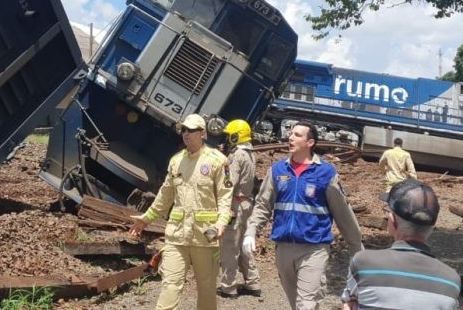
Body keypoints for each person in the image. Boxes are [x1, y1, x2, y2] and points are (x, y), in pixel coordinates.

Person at [243, 121, 363, 310]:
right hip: (283, 248)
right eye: (291, 134)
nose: (290, 137)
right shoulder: (277, 170)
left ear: (310, 143)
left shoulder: (325, 173)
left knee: (305, 305)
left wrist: (356, 245)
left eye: (297, 135)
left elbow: (342, 212)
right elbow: (263, 205)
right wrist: (251, 231)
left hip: (314, 249)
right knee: (296, 304)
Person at [130, 113, 232, 310]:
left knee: (206, 290)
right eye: (183, 129)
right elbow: (165, 195)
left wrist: (221, 223)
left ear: (203, 133)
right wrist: (146, 218)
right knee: (170, 285)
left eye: (191, 130)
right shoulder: (176, 161)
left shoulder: (218, 161)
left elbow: (225, 197)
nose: (185, 134)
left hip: (205, 238)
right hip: (177, 236)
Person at [341, 179, 460, 309]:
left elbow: (350, 303)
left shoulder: (363, 262)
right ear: (432, 227)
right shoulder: (451, 280)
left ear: (392, 221)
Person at [216, 119, 261, 298]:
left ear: (236, 136)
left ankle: (228, 287)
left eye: (229, 135)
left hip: (235, 204)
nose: (227, 138)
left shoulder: (236, 156)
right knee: (244, 246)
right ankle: (253, 282)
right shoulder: (250, 153)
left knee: (229, 247)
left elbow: (229, 182)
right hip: (247, 203)